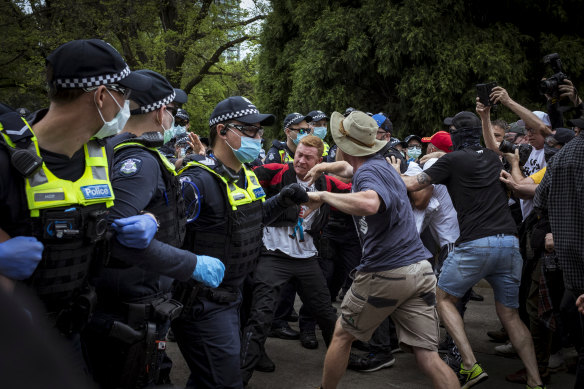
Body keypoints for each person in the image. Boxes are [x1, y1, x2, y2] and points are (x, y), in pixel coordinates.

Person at [0, 39, 158, 375]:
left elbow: (98, 226)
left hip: (73, 331)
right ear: (102, 96)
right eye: (125, 95)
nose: (126, 107)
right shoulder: (4, 160)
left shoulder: (101, 154)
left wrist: (149, 219)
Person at [82, 69, 225, 388]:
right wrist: (191, 264)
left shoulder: (111, 149)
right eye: (172, 112)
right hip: (131, 306)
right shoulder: (140, 161)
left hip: (127, 301)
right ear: (162, 113)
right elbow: (114, 234)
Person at [394, 110, 545, 389]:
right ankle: (536, 381)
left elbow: (413, 184)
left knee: (443, 299)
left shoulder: (451, 160)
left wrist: (392, 172)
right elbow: (495, 149)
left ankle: (469, 364)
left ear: (456, 135)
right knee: (510, 315)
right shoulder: (493, 157)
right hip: (510, 244)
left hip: (475, 244)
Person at [308, 111, 459, 389]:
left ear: (346, 146)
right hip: (420, 271)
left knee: (342, 335)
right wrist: (323, 168)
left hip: (386, 271)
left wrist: (323, 195)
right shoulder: (380, 165)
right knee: (428, 357)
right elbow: (348, 169)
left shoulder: (368, 172)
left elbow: (370, 202)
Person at [171, 96, 307, 389]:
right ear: (222, 131)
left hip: (233, 296)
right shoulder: (196, 180)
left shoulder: (245, 175)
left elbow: (252, 219)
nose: (258, 138)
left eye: (259, 131)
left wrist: (281, 201)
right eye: (249, 130)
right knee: (226, 380)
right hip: (202, 302)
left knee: (207, 377)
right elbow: (167, 240)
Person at [240, 135, 351, 385]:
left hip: (306, 257)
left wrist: (327, 175)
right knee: (261, 315)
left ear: (319, 161)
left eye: (308, 157)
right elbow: (241, 176)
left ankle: (345, 357)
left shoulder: (327, 182)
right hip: (272, 254)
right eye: (298, 154)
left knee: (325, 312)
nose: (300, 160)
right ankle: (241, 375)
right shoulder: (275, 172)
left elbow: (353, 176)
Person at [534, 127, 584, 389]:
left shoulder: (563, 159)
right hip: (571, 263)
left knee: (567, 309)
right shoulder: (566, 157)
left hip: (572, 265)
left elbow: (538, 198)